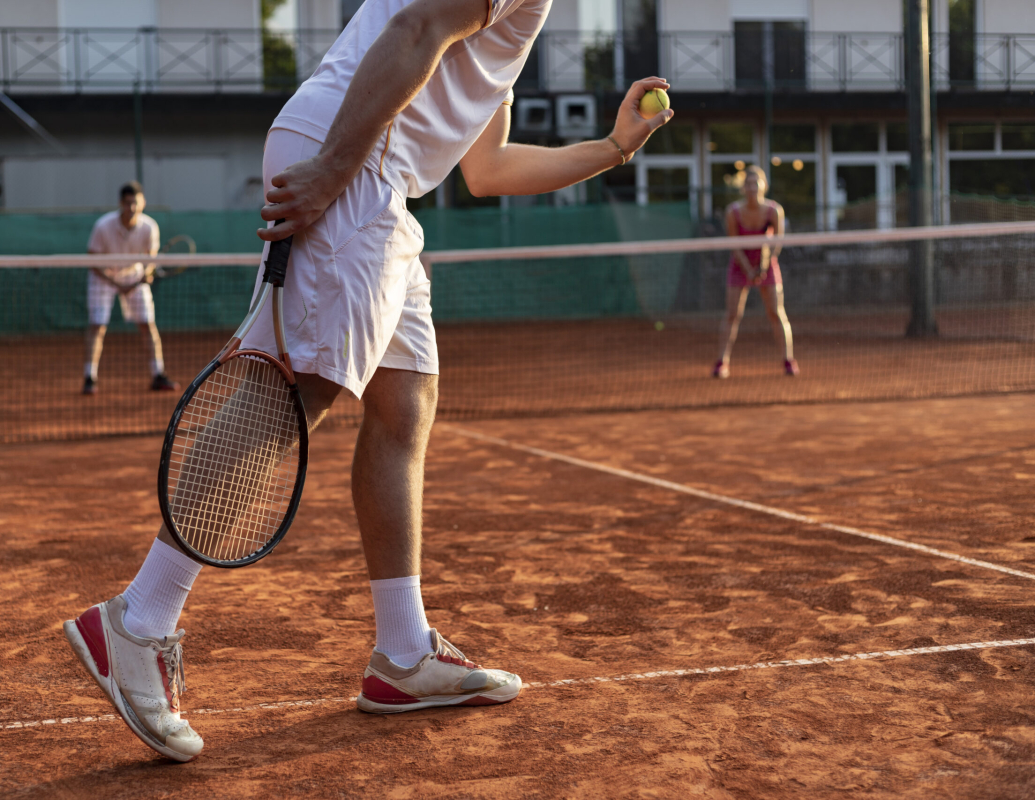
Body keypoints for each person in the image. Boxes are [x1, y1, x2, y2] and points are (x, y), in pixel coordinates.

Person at [63, 0, 674, 762]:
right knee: (294, 388)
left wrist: (615, 148)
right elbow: (414, 29)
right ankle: (138, 621)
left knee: (403, 402)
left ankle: (403, 652)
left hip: (380, 173)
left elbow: (486, 168)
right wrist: (330, 169)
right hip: (357, 157)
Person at [82, 181, 179, 395]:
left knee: (147, 324)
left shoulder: (149, 226)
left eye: (135, 203)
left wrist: (147, 274)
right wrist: (116, 284)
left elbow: (150, 258)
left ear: (142, 203)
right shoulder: (103, 226)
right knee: (97, 326)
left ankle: (158, 374)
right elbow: (93, 261)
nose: (132, 208)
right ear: (121, 204)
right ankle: (90, 377)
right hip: (103, 277)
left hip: (133, 275)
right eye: (128, 203)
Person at [713, 165, 798, 379]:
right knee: (732, 314)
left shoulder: (774, 211)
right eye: (748, 183)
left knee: (776, 313)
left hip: (767, 263)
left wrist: (764, 264)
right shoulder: (732, 212)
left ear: (763, 186)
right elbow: (734, 244)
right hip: (740, 264)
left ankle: (788, 360)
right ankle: (722, 362)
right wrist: (748, 269)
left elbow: (776, 243)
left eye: (755, 183)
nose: (752, 187)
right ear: (743, 188)